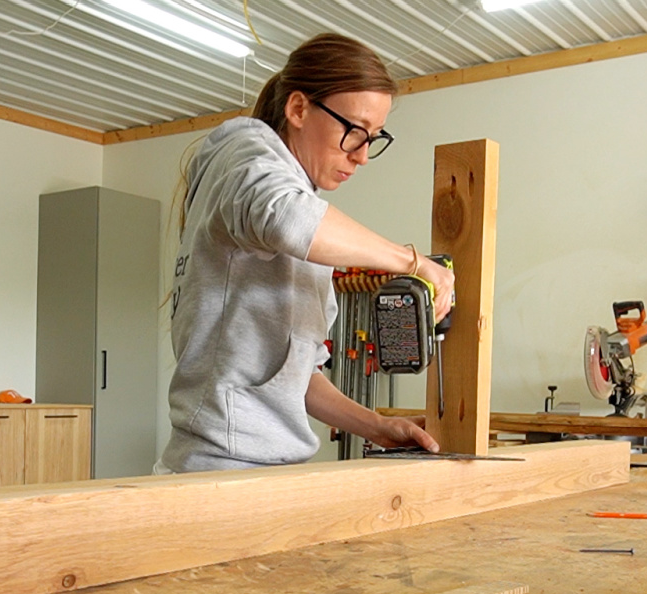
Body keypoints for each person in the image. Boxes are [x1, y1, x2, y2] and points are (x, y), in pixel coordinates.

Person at [156, 33, 455, 474]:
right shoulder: (245, 158)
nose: (363, 156)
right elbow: (286, 218)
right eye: (353, 131)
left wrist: (376, 426)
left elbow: (298, 378)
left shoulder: (299, 222)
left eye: (374, 137)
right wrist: (413, 262)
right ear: (298, 109)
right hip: (218, 471)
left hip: (272, 471)